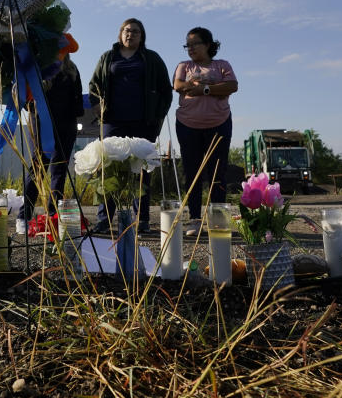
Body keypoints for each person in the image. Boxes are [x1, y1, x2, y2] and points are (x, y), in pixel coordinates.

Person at [88, 18, 173, 234]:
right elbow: (93, 85)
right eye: (127, 31)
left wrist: (157, 115)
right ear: (120, 34)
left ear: (141, 36)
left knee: (142, 171)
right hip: (113, 122)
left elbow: (165, 90)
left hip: (143, 123)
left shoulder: (151, 59)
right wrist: (97, 105)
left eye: (135, 31)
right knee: (108, 169)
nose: (130, 34)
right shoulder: (108, 58)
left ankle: (141, 219)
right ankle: (105, 219)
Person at [173, 27, 238, 236]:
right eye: (187, 45)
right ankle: (194, 218)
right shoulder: (184, 65)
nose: (190, 48)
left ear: (208, 45)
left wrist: (203, 89)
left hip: (219, 124)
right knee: (192, 173)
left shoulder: (222, 65)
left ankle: (217, 219)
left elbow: (232, 86)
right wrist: (203, 87)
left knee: (217, 172)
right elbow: (178, 85)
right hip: (187, 125)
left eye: (195, 44)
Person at [18, 54, 84, 226]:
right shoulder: (37, 66)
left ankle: (53, 216)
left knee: (59, 170)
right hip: (41, 123)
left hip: (66, 124)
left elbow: (77, 98)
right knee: (37, 167)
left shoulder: (72, 68)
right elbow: (26, 99)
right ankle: (24, 215)